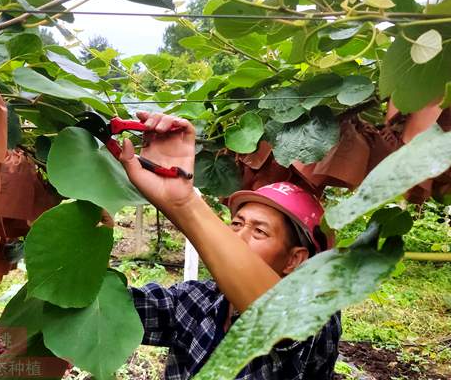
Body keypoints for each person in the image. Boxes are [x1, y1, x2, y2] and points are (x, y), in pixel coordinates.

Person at [118, 112, 341, 379]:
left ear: (295, 259)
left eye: (259, 231)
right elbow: (111, 311)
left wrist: (184, 203)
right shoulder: (200, 300)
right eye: (236, 224)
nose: (237, 237)